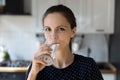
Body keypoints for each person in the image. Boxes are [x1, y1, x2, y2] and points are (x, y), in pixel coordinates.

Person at [26, 4, 103, 80]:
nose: (53, 36)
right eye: (48, 29)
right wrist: (33, 73)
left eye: (61, 29)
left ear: (73, 31)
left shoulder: (88, 66)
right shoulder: (37, 67)